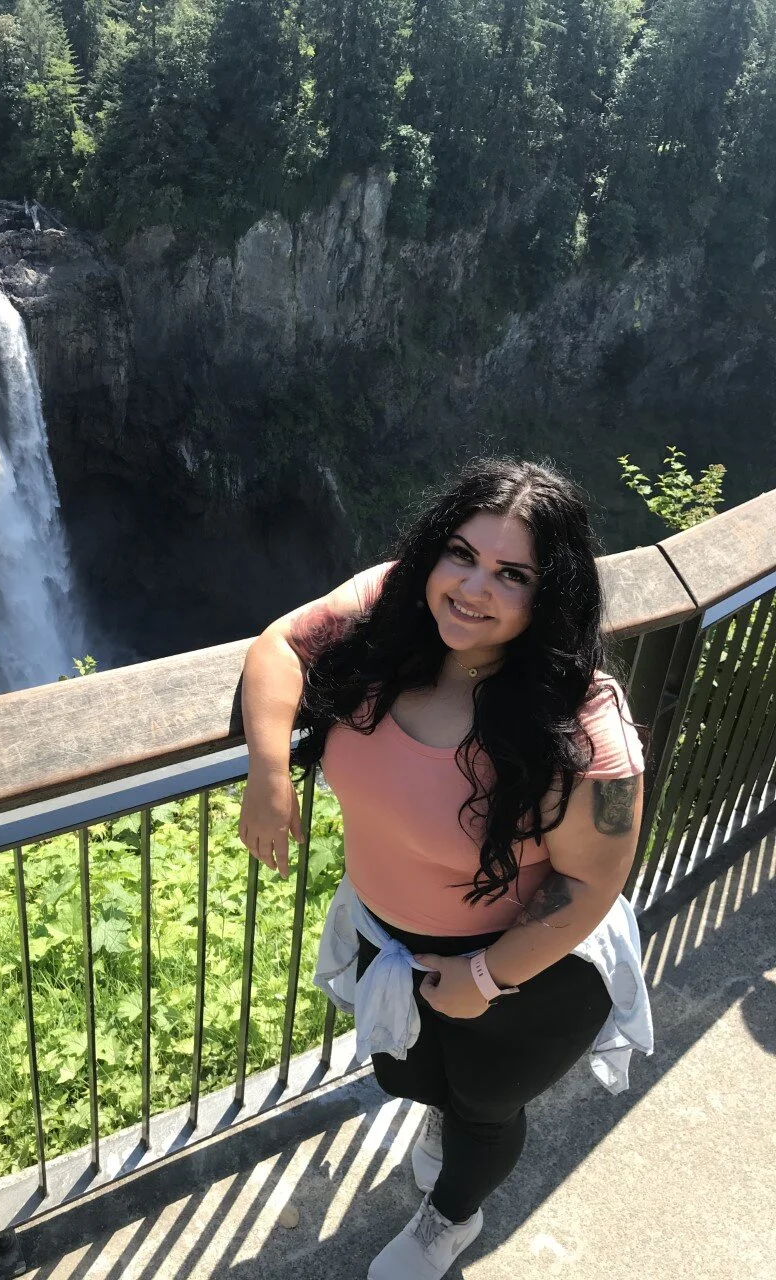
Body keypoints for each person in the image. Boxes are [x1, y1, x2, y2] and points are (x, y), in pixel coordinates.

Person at [237, 458, 646, 1279]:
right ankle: (444, 1120)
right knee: (410, 1072)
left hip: (528, 973)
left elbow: (588, 885)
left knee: (487, 1109)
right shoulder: (392, 612)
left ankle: (451, 1218)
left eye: (511, 574)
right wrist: (269, 769)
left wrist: (487, 977)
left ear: (549, 595)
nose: (472, 587)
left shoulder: (580, 727)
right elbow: (281, 644)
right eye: (461, 554)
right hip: (385, 935)